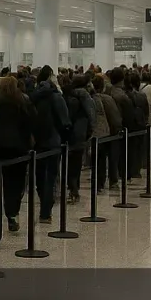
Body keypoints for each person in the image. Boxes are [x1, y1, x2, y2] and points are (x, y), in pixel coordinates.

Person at [0, 75, 35, 232]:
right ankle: (12, 213)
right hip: (18, 149)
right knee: (16, 183)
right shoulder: (22, 102)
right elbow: (31, 122)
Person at [30, 66, 70, 224]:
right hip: (53, 141)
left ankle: (43, 201)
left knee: (39, 176)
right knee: (50, 177)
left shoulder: (33, 96)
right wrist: (65, 137)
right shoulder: (56, 97)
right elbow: (64, 121)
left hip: (37, 142)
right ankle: (45, 212)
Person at [64, 75, 97, 204]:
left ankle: (72, 188)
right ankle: (74, 189)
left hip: (69, 133)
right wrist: (90, 131)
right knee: (76, 163)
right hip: (80, 133)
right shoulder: (85, 97)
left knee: (70, 163)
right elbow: (91, 116)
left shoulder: (68, 94)